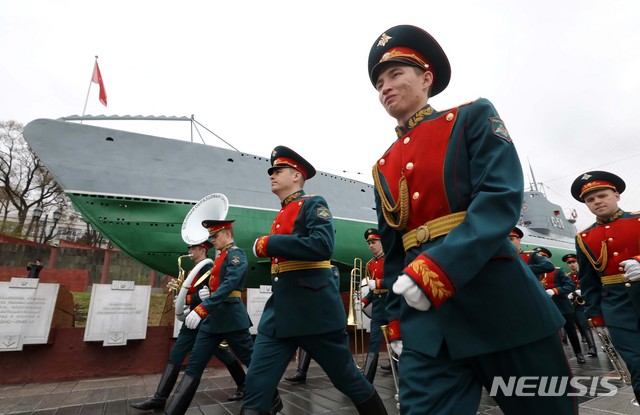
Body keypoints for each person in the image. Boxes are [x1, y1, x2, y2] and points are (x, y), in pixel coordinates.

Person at [368, 24, 575, 414]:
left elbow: (498, 199)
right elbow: (395, 249)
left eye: (396, 74)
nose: (385, 87)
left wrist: (436, 268)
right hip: (427, 325)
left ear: (426, 78)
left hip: (498, 304)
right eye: (379, 82)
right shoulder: (382, 166)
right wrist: (396, 322)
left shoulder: (472, 117)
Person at [241, 146, 387, 414]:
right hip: (280, 314)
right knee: (256, 384)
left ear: (297, 175)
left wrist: (270, 243)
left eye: (277, 170)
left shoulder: (313, 203)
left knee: (348, 380)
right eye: (271, 171)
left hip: (314, 312)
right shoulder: (281, 213)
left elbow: (322, 246)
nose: (271, 175)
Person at [130, 241, 247, 411]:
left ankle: (244, 385)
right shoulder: (194, 270)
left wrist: (189, 300)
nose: (189, 251)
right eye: (189, 248)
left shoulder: (208, 268)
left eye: (192, 248)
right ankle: (159, 398)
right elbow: (191, 292)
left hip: (204, 317)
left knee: (224, 355)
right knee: (176, 355)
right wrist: (181, 296)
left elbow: (210, 294)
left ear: (202, 249)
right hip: (191, 320)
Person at [164, 220, 255, 415]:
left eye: (216, 236)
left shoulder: (236, 255)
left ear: (228, 234)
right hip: (212, 321)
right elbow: (216, 285)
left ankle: (271, 399)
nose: (212, 240)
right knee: (194, 366)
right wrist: (204, 293)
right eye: (211, 236)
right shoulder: (221, 256)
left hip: (231, 319)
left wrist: (202, 308)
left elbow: (229, 285)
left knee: (252, 362)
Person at [571, 170, 640, 406]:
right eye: (590, 200)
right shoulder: (584, 237)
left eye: (602, 195)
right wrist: (597, 318)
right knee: (637, 365)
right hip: (618, 310)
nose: (596, 202)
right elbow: (589, 281)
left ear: (616, 195)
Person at [283, 265, 341, 385]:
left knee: (337, 344)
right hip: (312, 312)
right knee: (308, 340)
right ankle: (301, 372)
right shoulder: (311, 268)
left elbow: (334, 289)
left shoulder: (332, 268)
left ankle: (350, 371)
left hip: (326, 312)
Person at [536, 247, 586, 364]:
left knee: (571, 331)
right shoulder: (534, 274)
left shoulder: (557, 271)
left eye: (543, 257)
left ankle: (578, 353)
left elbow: (570, 286)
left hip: (562, 306)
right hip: (546, 307)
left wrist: (555, 291)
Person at [360, 227, 390, 383]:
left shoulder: (391, 260)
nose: (371, 245)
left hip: (392, 304)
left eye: (374, 242)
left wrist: (377, 283)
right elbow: (373, 289)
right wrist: (365, 300)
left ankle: (398, 368)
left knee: (396, 339)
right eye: (369, 243)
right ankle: (367, 377)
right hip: (378, 307)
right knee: (374, 340)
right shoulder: (370, 265)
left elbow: (397, 280)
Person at [563, 253, 598, 357]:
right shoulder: (568, 277)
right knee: (584, 325)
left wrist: (582, 291)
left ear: (578, 262)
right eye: (569, 263)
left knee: (599, 324)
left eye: (573, 262)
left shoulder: (585, 273)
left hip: (590, 301)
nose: (572, 264)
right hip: (578, 304)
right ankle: (592, 347)